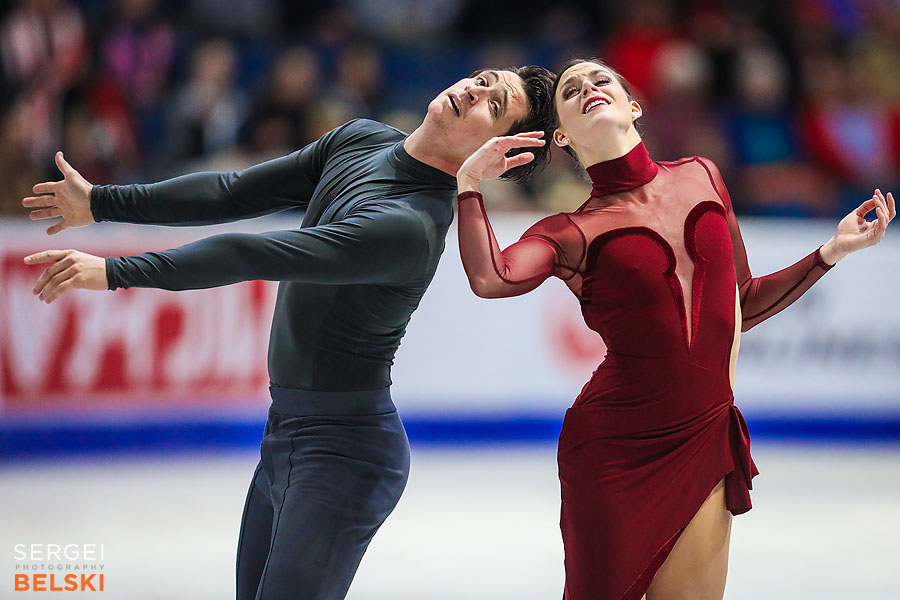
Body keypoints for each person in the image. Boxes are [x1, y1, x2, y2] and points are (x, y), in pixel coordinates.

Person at [21, 65, 556, 600]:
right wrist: (101, 202)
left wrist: (116, 271)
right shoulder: (361, 139)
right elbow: (232, 192)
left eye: (495, 103)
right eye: (485, 79)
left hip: (345, 456)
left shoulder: (410, 224)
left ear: (499, 152)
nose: (476, 90)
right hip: (287, 435)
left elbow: (250, 252)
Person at [454, 59, 894, 600]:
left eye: (601, 80)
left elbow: (740, 303)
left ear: (634, 106)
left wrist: (830, 252)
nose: (588, 87)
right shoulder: (570, 232)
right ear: (562, 136)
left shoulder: (703, 175)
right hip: (613, 450)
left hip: (704, 437)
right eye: (571, 90)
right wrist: (469, 183)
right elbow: (492, 277)